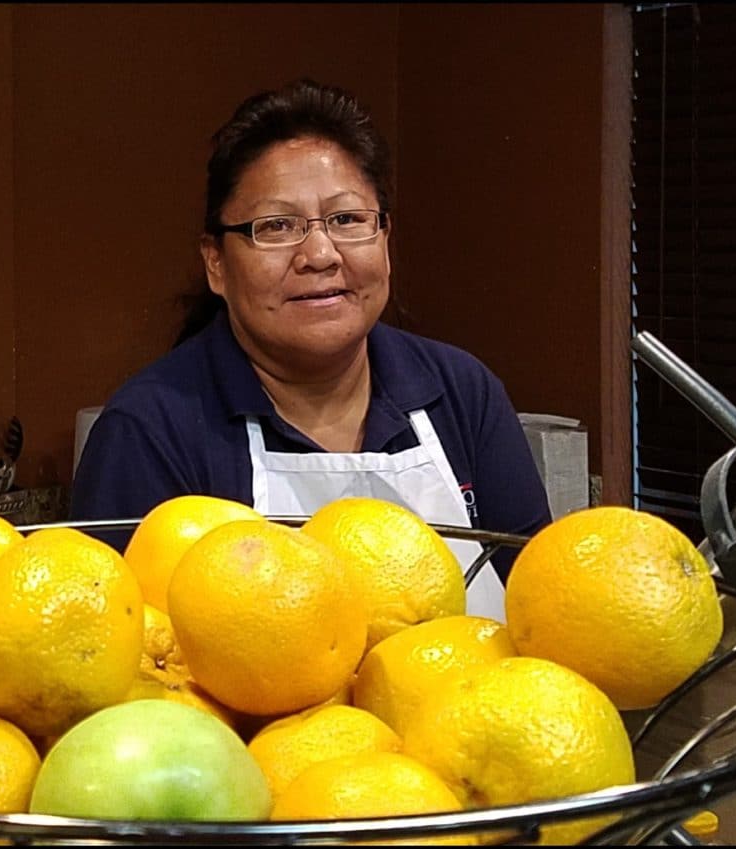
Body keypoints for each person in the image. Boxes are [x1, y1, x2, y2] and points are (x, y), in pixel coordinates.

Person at [71, 78, 552, 622]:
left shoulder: (462, 393)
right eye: (277, 226)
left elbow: (545, 608)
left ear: (385, 240)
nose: (320, 254)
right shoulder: (150, 430)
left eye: (347, 220)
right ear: (216, 263)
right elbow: (122, 655)